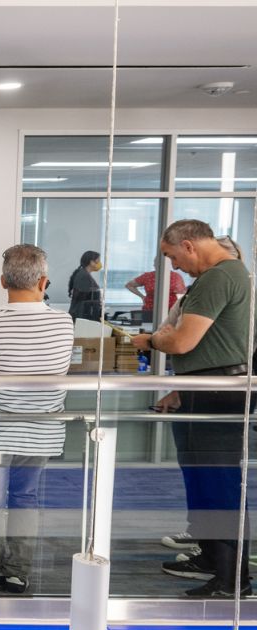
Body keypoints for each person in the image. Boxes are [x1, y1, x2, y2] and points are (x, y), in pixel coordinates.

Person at [134, 220, 252, 598]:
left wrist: (150, 340)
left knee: (218, 485)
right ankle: (210, 558)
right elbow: (205, 344)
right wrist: (180, 389)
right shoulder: (222, 276)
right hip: (203, 387)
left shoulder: (219, 277)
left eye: (172, 257)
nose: (174, 267)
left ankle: (232, 580)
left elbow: (183, 341)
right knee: (201, 480)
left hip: (218, 392)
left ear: (188, 246)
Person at [0, 244, 74, 594]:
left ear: (3, 281)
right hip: (41, 431)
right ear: (44, 282)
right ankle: (18, 571)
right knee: (25, 497)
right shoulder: (64, 323)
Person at [126, 256, 186, 323]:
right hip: (150, 311)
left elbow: (183, 292)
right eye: (157, 263)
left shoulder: (176, 276)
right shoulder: (148, 276)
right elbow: (129, 285)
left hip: (171, 311)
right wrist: (142, 297)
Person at [68, 250, 103, 321]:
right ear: (91, 262)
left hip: (82, 316)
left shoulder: (84, 274)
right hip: (82, 316)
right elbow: (84, 298)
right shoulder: (83, 276)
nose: (99, 264)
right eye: (98, 261)